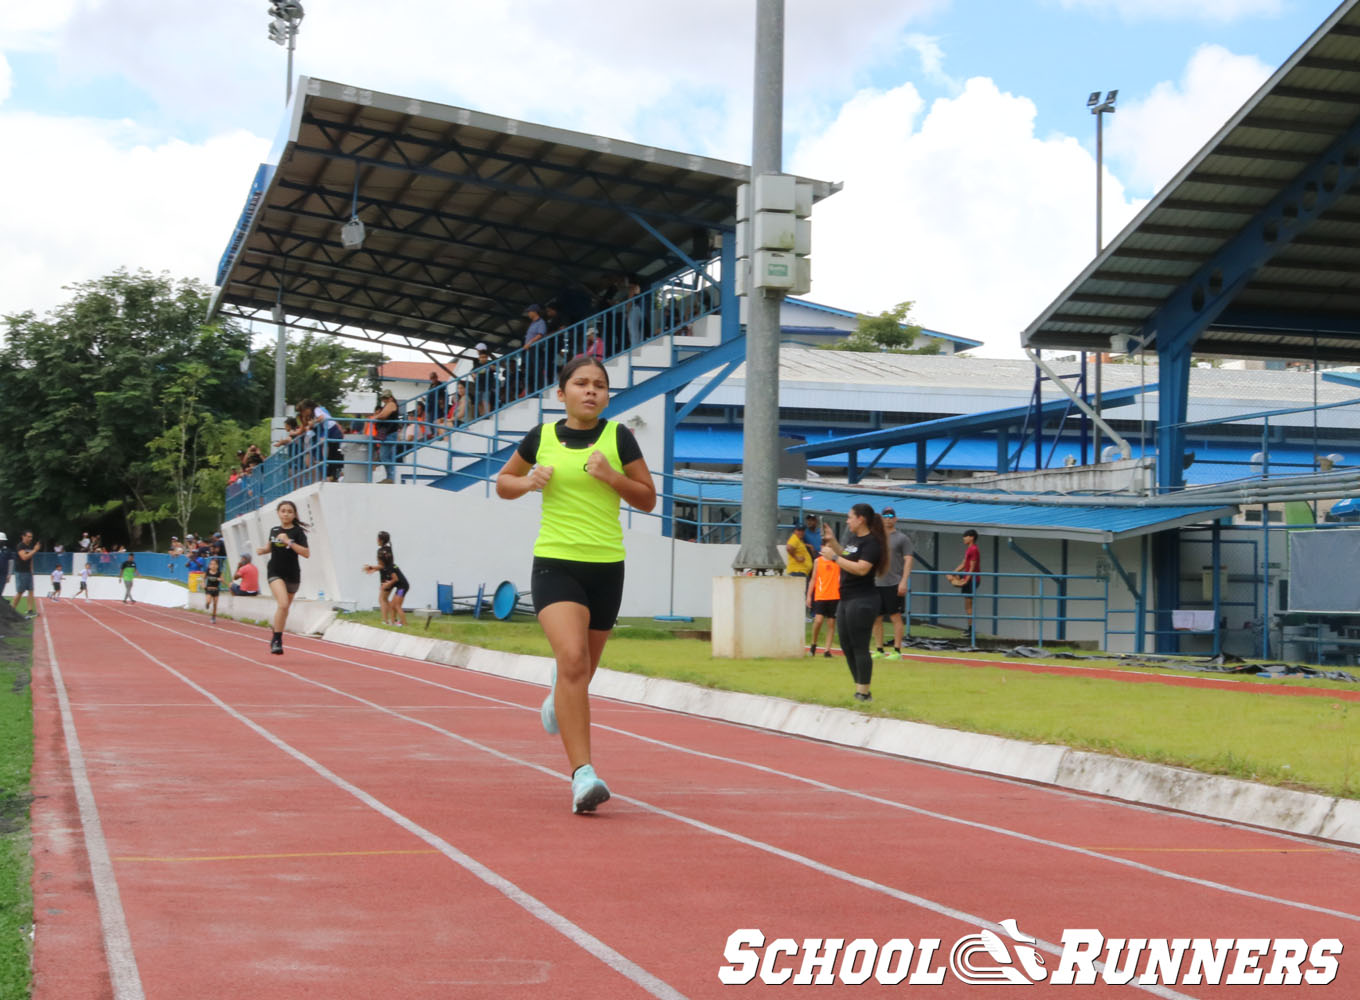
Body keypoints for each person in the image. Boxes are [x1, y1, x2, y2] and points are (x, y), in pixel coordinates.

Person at [495, 356, 657, 814]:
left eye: (600, 385)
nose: (591, 391)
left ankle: (557, 696)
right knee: (571, 659)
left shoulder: (618, 437)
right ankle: (583, 775)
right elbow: (503, 483)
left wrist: (611, 476)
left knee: (580, 674)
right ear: (561, 392)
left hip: (607, 566)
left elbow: (647, 499)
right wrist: (528, 481)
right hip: (556, 563)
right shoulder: (541, 437)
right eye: (581, 383)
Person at [820, 504, 889, 703]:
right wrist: (834, 543)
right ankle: (859, 687)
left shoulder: (872, 543)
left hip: (863, 599)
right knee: (846, 645)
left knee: (859, 645)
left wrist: (833, 557)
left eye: (850, 517)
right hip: (846, 598)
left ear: (861, 519)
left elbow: (861, 569)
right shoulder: (853, 539)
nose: (848, 520)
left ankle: (863, 692)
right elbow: (849, 556)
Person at [256, 500, 310, 655]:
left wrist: (288, 542)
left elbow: (306, 553)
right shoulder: (274, 530)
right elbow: (270, 547)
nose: (286, 514)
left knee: (284, 609)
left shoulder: (298, 532)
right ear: (278, 513)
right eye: (283, 511)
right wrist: (263, 550)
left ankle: (276, 634)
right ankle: (277, 640)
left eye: (289, 511)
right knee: (283, 603)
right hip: (275, 572)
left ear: (294, 515)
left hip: (292, 574)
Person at [871, 507, 915, 660]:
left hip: (893, 583)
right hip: (876, 583)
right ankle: (879, 649)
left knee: (895, 616)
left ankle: (896, 650)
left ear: (895, 519)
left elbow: (908, 560)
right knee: (876, 617)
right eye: (885, 516)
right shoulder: (875, 537)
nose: (888, 518)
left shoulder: (902, 538)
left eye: (891, 516)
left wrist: (904, 581)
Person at [806, 544, 840, 658]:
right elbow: (813, 579)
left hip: (834, 595)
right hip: (821, 595)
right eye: (827, 546)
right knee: (818, 620)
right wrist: (809, 596)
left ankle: (827, 650)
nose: (829, 548)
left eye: (831, 546)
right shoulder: (818, 561)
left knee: (831, 623)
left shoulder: (837, 561)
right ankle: (813, 644)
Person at [362, 531, 396, 625]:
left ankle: (387, 620)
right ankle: (390, 620)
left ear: (381, 540)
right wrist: (374, 569)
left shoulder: (380, 551)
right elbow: (386, 565)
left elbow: (381, 566)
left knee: (382, 599)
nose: (376, 540)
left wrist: (371, 567)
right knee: (384, 598)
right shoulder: (389, 549)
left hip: (386, 577)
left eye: (378, 538)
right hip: (392, 574)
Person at [948, 528, 983, 617]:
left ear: (972, 537)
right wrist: (953, 573)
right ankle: (960, 583)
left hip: (972, 579)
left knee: (968, 605)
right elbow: (964, 564)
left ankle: (971, 629)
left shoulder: (973, 549)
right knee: (949, 576)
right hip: (968, 577)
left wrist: (966, 580)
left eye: (965, 536)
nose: (964, 538)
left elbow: (972, 567)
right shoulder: (969, 549)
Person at [370, 390, 399, 483]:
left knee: (384, 456)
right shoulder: (389, 404)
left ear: (390, 397)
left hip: (389, 434)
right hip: (388, 433)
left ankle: (390, 478)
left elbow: (384, 415)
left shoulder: (391, 404)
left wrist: (375, 417)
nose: (384, 400)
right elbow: (382, 415)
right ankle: (390, 477)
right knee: (386, 456)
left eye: (385, 398)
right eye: (383, 398)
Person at [12, 531, 39, 618]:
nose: (30, 538)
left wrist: (32, 570)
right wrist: (35, 550)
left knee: (31, 590)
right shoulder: (20, 546)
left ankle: (30, 610)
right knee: (20, 591)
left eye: (31, 537)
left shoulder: (29, 546)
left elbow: (30, 558)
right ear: (23, 537)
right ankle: (11, 610)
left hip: (28, 572)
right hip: (20, 571)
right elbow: (24, 557)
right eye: (28, 536)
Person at [204, 558, 223, 623]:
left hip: (216, 589)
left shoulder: (219, 573)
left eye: (215, 564)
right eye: (211, 564)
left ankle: (213, 617)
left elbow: (222, 580)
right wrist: (203, 584)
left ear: (217, 566)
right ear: (209, 565)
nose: (213, 566)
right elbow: (203, 579)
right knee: (208, 600)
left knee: (215, 604)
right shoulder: (207, 572)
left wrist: (220, 580)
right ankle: (207, 604)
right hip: (209, 589)